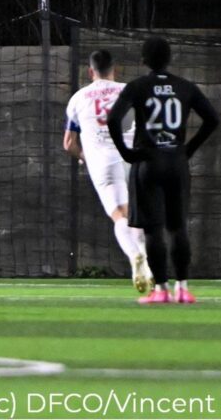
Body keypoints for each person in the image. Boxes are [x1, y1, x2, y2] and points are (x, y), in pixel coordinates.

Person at [107, 36, 219, 305]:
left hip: (148, 161)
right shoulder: (185, 87)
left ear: (144, 60)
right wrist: (188, 149)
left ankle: (161, 290)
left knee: (153, 229)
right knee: (178, 227)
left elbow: (113, 119)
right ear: (170, 59)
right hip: (176, 162)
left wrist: (126, 153)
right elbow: (212, 119)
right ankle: (183, 288)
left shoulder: (137, 86)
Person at [64, 50, 153, 294]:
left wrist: (84, 158)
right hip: (134, 159)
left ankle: (135, 256)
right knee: (137, 215)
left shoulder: (79, 98)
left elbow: (69, 144)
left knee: (120, 216)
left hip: (103, 162)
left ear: (90, 71)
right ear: (115, 69)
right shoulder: (130, 90)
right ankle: (145, 260)